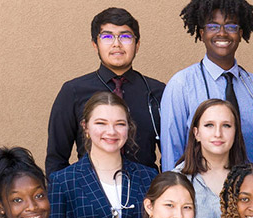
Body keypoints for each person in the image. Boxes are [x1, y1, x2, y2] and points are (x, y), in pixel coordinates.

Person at [47, 8, 165, 174]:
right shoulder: (73, 91)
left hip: (146, 190)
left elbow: (172, 153)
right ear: (95, 45)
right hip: (89, 191)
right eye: (108, 37)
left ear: (137, 45)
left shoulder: (157, 91)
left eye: (125, 36)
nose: (117, 43)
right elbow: (56, 159)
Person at [161, 0, 253, 170]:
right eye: (213, 26)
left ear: (240, 33)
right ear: (202, 33)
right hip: (196, 189)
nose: (222, 33)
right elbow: (171, 151)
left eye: (231, 27)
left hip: (246, 189)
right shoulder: (181, 84)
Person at [176, 99, 249, 218]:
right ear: (196, 133)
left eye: (226, 126)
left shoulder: (250, 179)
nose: (218, 133)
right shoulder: (178, 180)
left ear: (236, 133)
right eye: (209, 125)